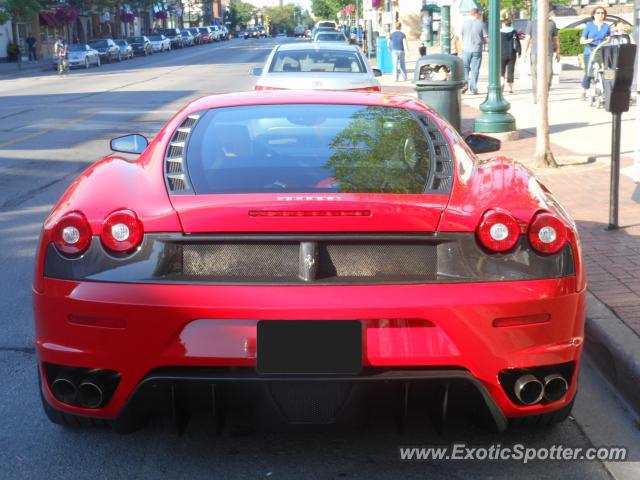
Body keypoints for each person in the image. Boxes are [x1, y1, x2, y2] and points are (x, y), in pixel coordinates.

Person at [524, 16, 560, 103]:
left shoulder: (552, 23)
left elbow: (555, 38)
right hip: (535, 52)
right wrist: (524, 52)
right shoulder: (532, 23)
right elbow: (528, 38)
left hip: (548, 53)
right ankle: (536, 96)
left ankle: (545, 92)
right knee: (535, 74)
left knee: (549, 73)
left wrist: (558, 51)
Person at [579, 7, 610, 100]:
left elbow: (609, 37)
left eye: (602, 13)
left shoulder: (606, 26)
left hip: (602, 50)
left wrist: (608, 39)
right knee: (588, 71)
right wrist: (588, 40)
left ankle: (608, 89)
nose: (600, 14)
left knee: (607, 70)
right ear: (594, 14)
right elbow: (582, 40)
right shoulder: (589, 25)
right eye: (598, 13)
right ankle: (584, 90)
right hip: (590, 50)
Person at [458, 8, 487, 95]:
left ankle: (465, 84)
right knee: (475, 69)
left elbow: (461, 36)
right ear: (477, 14)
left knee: (465, 68)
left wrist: (462, 46)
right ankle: (473, 88)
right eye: (480, 14)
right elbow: (486, 38)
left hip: (466, 49)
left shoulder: (465, 23)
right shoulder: (482, 24)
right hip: (477, 49)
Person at [500, 18, 521, 93]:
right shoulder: (514, 32)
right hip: (512, 54)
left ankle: (502, 83)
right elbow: (517, 42)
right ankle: (510, 88)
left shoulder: (500, 33)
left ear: (504, 24)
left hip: (501, 54)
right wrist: (519, 52)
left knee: (501, 71)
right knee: (510, 71)